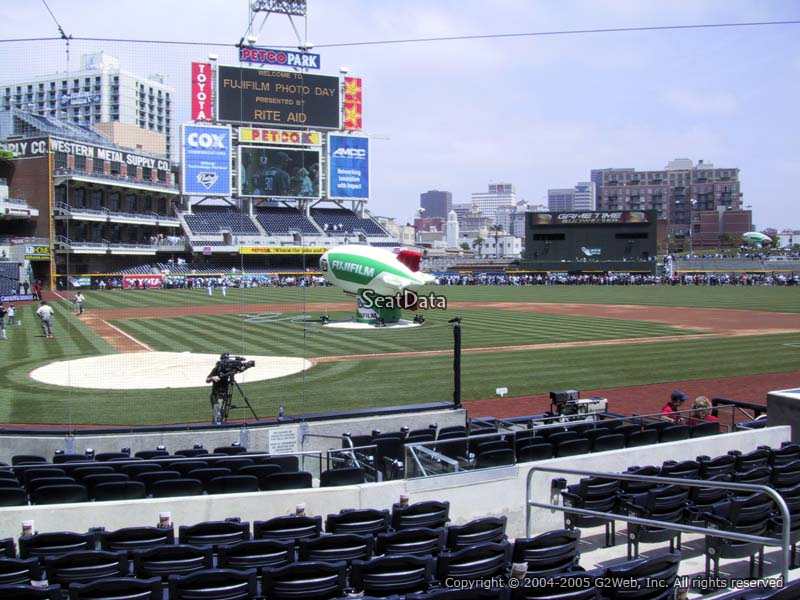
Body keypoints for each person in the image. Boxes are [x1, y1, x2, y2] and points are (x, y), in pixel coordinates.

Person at [206, 353, 232, 425]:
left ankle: (221, 424)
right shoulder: (217, 368)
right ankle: (215, 426)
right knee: (217, 413)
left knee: (222, 412)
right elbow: (207, 380)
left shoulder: (229, 368)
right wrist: (212, 378)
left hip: (224, 393)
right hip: (216, 394)